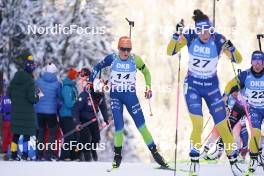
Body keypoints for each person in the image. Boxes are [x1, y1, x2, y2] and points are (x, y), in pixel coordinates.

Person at [167, 9, 243, 175]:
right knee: (198, 124)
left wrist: (231, 47)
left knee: (223, 126)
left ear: (211, 29)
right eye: (200, 30)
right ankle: (194, 162)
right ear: (196, 29)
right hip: (193, 86)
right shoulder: (190, 36)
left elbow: (238, 59)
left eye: (206, 30)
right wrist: (176, 35)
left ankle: (234, 163)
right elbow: (170, 51)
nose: (203, 34)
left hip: (211, 88)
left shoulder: (218, 39)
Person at [87, 36, 168, 169]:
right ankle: (117, 157)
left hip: (130, 96)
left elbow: (147, 72)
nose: (126, 52)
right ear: (119, 49)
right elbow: (97, 67)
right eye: (123, 49)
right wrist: (91, 81)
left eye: (128, 49)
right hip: (116, 96)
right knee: (119, 127)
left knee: (141, 126)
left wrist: (148, 88)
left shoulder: (135, 59)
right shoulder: (112, 58)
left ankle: (156, 154)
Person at [224, 50, 264, 174]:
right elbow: (230, 84)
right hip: (253, 108)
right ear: (251, 62)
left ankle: (259, 152)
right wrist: (225, 96)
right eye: (254, 61)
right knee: (255, 133)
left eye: (260, 61)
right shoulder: (245, 75)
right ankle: (253, 159)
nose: (257, 64)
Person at [200, 89, 249, 163]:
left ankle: (241, 157)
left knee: (243, 139)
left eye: (236, 93)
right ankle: (214, 154)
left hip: (241, 122)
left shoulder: (243, 97)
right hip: (229, 121)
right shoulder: (227, 97)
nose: (235, 95)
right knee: (221, 135)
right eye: (233, 93)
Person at [73, 68, 110, 161]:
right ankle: (87, 159)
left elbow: (103, 107)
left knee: (96, 138)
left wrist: (106, 118)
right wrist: (77, 123)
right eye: (100, 90)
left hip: (93, 119)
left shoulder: (101, 96)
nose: (102, 92)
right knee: (85, 140)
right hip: (83, 120)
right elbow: (76, 110)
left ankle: (92, 150)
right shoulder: (85, 95)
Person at [7, 55, 39, 160]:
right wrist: (37, 96)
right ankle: (25, 155)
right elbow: (31, 99)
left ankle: (13, 154)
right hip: (27, 113)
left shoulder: (15, 78)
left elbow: (9, 93)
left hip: (16, 111)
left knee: (15, 135)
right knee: (26, 135)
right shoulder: (30, 81)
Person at [35, 62, 62, 161]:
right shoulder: (57, 83)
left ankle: (39, 154)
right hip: (51, 112)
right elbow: (59, 98)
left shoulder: (38, 81)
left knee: (41, 132)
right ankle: (48, 154)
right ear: (54, 72)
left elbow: (37, 95)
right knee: (52, 132)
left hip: (39, 111)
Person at [59, 68, 79, 161]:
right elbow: (69, 103)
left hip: (72, 115)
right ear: (72, 77)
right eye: (76, 76)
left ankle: (73, 156)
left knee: (74, 136)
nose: (77, 78)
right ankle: (64, 156)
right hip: (66, 115)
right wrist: (78, 102)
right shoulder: (66, 88)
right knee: (69, 136)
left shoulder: (72, 87)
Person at [0, 82, 12, 161]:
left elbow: (0, 109)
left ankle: (4, 153)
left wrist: (3, 113)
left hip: (5, 121)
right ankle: (11, 152)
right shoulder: (14, 98)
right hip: (13, 120)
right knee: (11, 138)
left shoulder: (3, 99)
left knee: (5, 137)